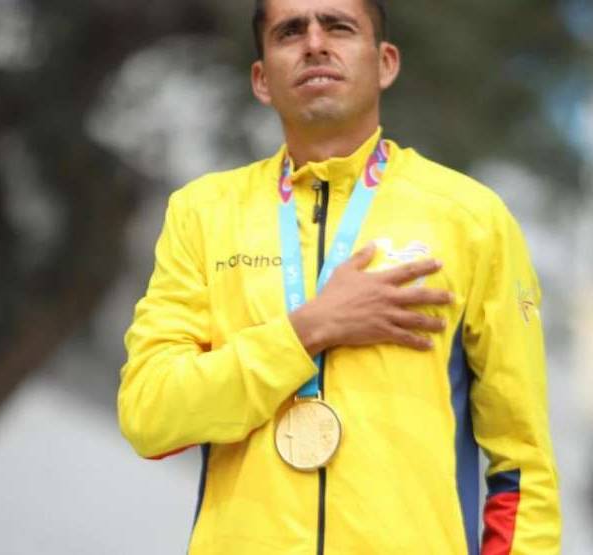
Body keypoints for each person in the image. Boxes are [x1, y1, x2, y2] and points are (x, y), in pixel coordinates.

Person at [118, 0, 561, 553]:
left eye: (339, 27)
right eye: (289, 32)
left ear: (385, 63)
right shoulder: (203, 213)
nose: (314, 43)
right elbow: (151, 415)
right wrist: (308, 330)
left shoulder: (473, 218)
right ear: (261, 79)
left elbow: (522, 464)